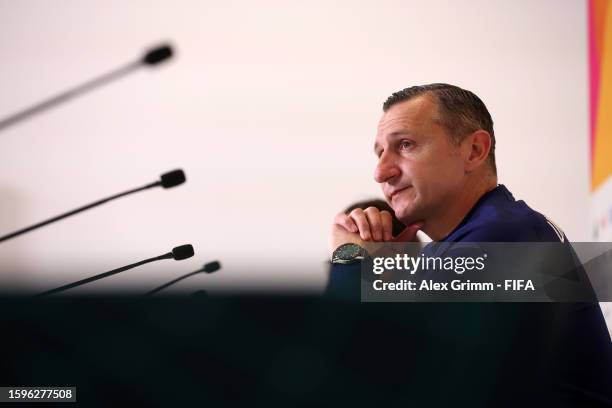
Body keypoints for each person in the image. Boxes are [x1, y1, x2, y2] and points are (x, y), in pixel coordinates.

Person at [326, 83, 612, 405]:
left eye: (405, 145)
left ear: (474, 150)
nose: (381, 172)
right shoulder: (489, 232)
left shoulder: (502, 238)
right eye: (380, 153)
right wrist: (385, 272)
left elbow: (348, 366)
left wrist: (348, 256)